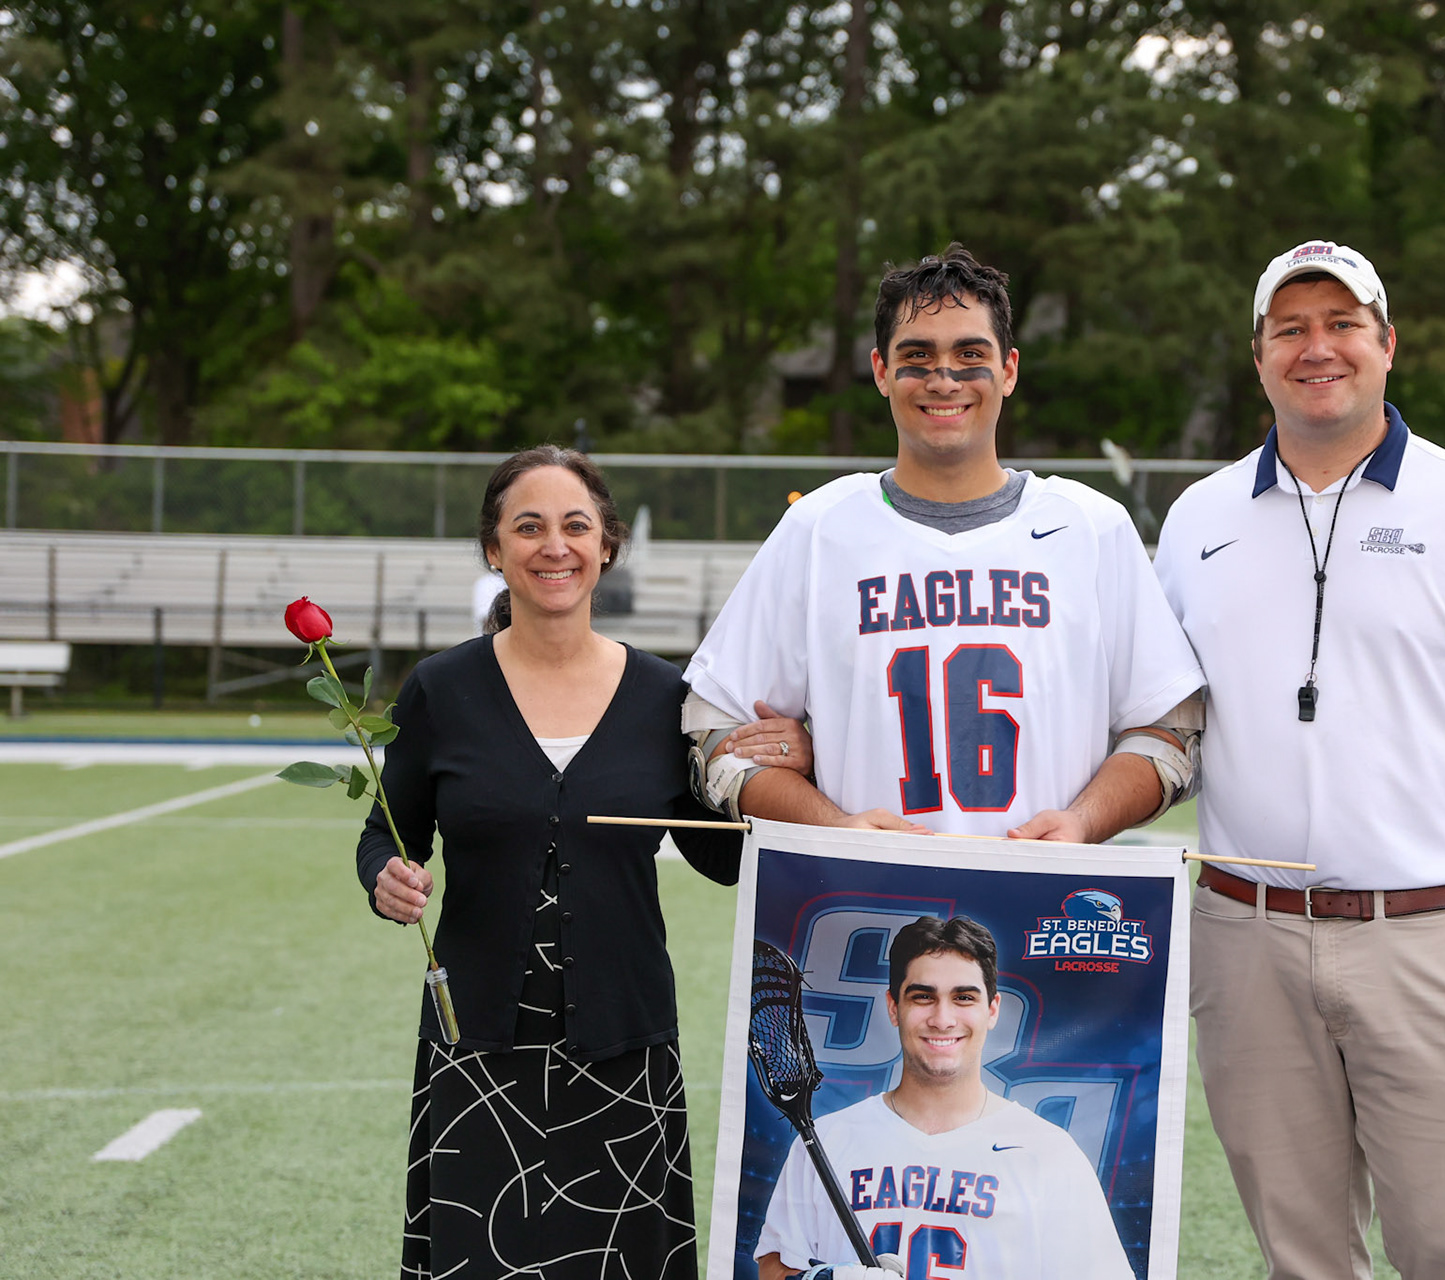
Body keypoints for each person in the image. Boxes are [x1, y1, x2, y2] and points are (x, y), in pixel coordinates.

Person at [1154, 240, 1445, 1280]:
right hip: (1247, 935)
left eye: (1343, 323)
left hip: (1432, 936)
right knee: (1301, 1259)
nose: (1318, 347)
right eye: (1291, 328)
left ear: (1387, 344)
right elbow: (1160, 722)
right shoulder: (1196, 520)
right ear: (1259, 356)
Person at [358, 446, 802, 1280]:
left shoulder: (666, 696)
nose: (552, 545)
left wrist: (783, 769)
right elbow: (388, 834)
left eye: (574, 526)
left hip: (624, 1045)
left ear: (606, 547)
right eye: (527, 527)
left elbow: (722, 857)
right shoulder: (440, 690)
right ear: (495, 549)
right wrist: (384, 876)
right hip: (476, 1044)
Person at [683, 246, 1203, 842]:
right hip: (869, 892)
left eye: (969, 354)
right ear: (881, 371)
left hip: (1041, 902)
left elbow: (1171, 729)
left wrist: (1083, 821)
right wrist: (835, 825)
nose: (944, 378)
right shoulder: (819, 528)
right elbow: (714, 731)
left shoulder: (1091, 526)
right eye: (917, 356)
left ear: (1008, 369)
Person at [754, 916, 1131, 1280]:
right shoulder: (829, 1140)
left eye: (964, 998)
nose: (942, 1018)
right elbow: (774, 1267)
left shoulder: (1048, 1152)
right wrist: (827, 1279)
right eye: (922, 997)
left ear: (992, 1010)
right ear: (893, 1007)